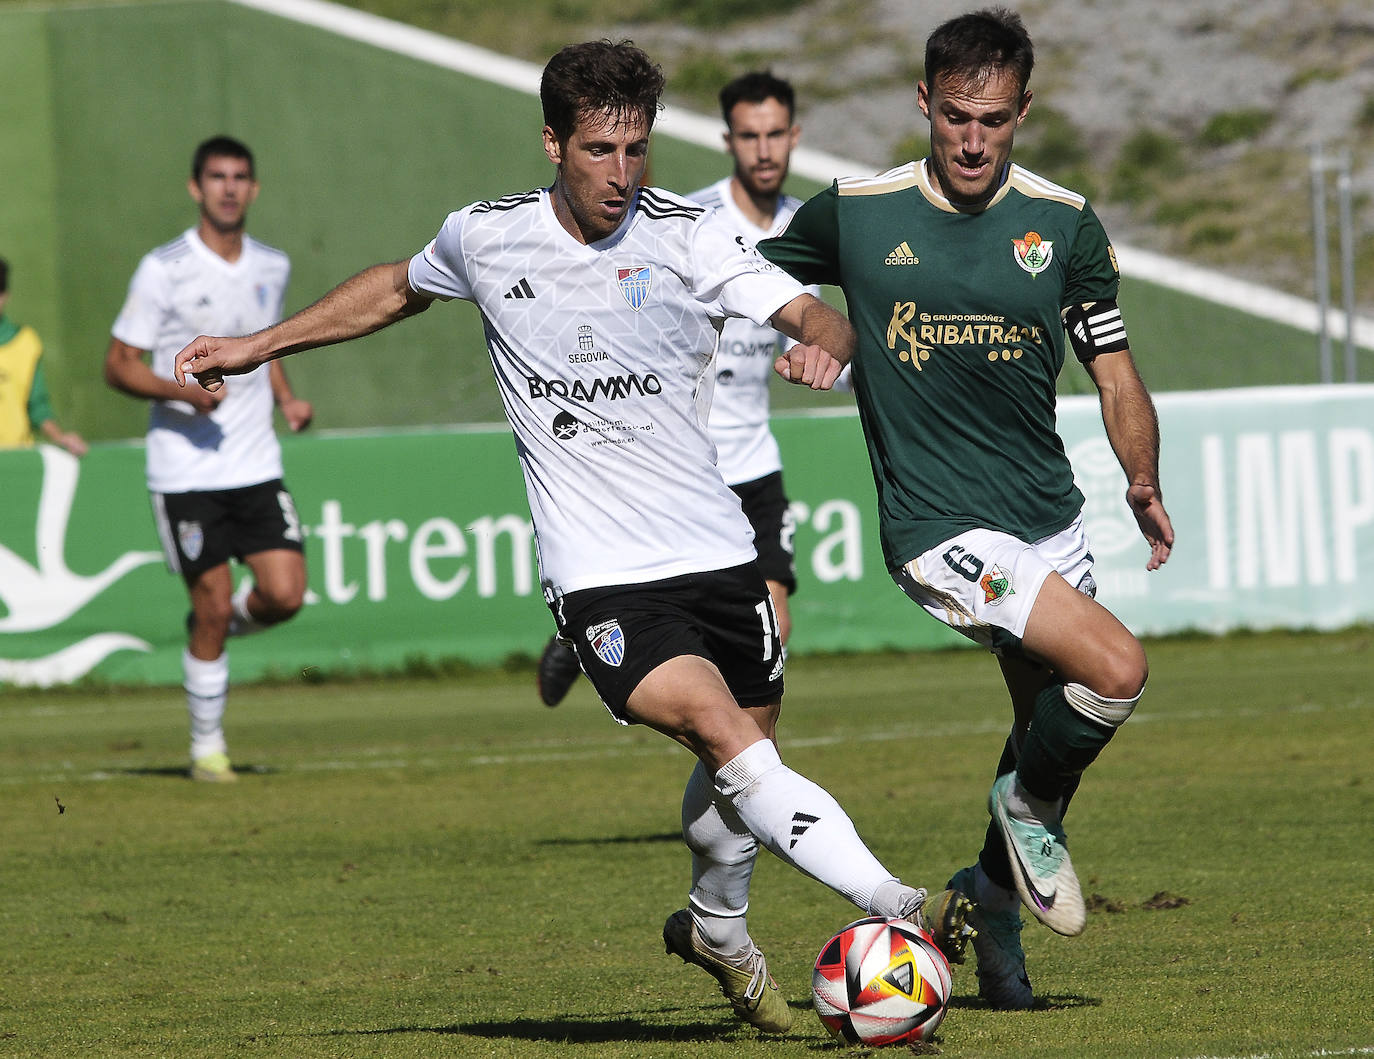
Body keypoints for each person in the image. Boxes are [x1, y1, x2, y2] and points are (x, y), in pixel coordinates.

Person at [170, 41, 972, 1033]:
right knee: (727, 739)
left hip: (720, 550)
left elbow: (808, 310)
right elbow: (392, 288)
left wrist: (827, 342)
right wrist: (256, 347)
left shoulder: (689, 235)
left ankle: (719, 928)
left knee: (747, 761)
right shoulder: (487, 239)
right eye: (599, 150)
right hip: (604, 577)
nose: (622, 173)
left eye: (637, 149)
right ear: (553, 142)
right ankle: (901, 905)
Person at [759, 7, 1175, 1010]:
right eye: (955, 118)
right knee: (1117, 669)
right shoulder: (858, 212)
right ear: (923, 103)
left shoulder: (1065, 223)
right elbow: (746, 278)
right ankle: (1026, 815)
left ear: (1023, 109)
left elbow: (1113, 370)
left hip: (1048, 516)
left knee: (1050, 721)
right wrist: (813, 335)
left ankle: (989, 900)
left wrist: (1141, 479)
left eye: (994, 119)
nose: (974, 139)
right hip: (939, 526)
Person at [535, 69, 813, 708]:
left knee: (773, 633)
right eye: (750, 136)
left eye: (775, 135)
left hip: (755, 461)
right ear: (728, 141)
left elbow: (815, 333)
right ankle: (590, 631)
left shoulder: (804, 234)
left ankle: (729, 773)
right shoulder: (694, 222)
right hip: (682, 463)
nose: (764, 150)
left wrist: (829, 359)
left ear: (794, 137)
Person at [104, 135, 314, 784]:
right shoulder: (163, 268)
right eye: (217, 177)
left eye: (240, 177)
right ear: (196, 188)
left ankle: (212, 630)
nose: (229, 187)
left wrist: (285, 398)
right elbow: (118, 365)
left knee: (285, 593)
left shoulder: (271, 266)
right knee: (216, 602)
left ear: (253, 189)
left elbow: (264, 344)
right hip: (185, 469)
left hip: (254, 461)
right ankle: (207, 748)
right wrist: (182, 393)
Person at [0, 257, 88, 456]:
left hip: (13, 462)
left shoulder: (26, 342)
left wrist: (59, 437)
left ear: (5, 296)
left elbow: (38, 406)